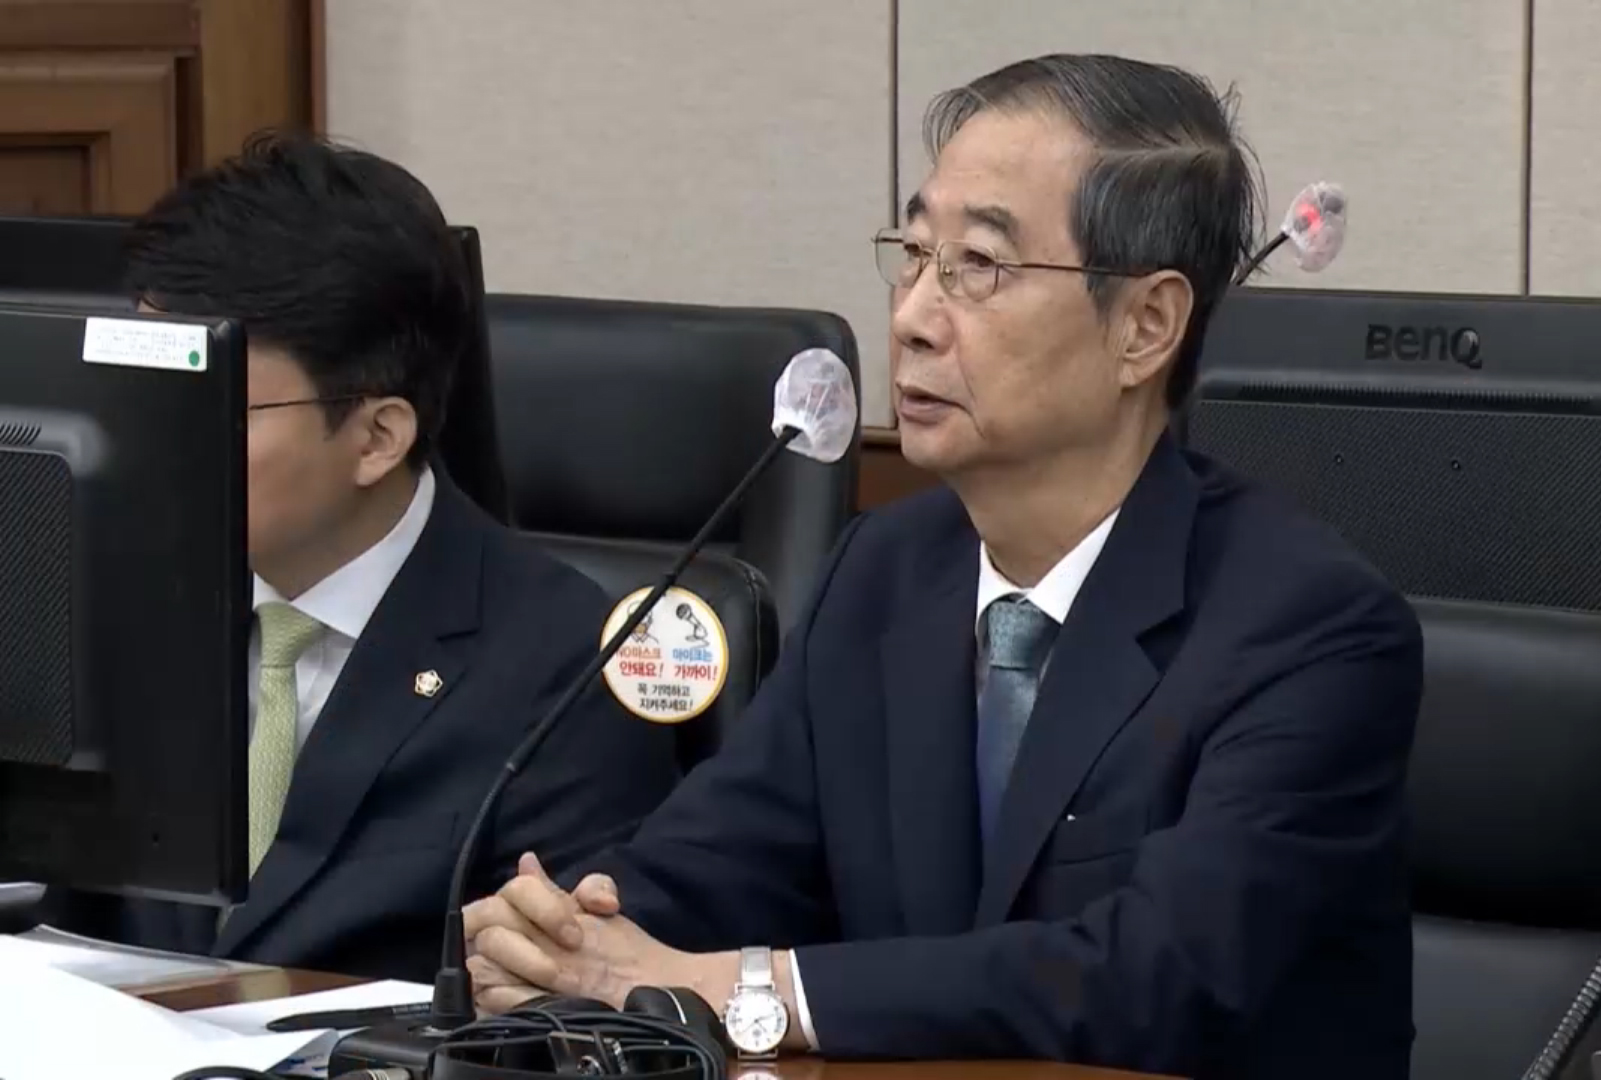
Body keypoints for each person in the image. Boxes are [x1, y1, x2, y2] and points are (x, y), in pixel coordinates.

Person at [464, 54, 1422, 1078]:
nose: (914, 317)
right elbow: (724, 857)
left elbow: (1153, 977)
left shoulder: (1310, 629)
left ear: (1145, 327)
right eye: (915, 253)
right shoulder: (886, 569)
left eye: (980, 266)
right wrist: (571, 936)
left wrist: (746, 990)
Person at [50, 132, 680, 982]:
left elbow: (566, 1000)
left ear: (378, 437)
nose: (152, 444)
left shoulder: (570, 674)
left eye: (205, 404)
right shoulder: (97, 601)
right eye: (144, 391)